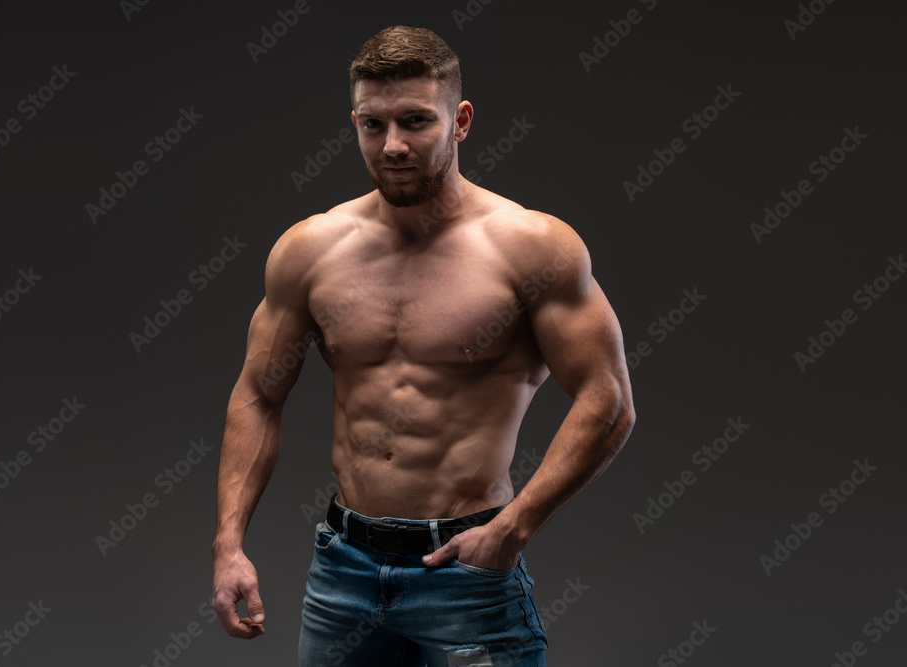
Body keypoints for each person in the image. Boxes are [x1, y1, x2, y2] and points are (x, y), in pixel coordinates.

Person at [211, 25, 636, 666]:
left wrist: (515, 527)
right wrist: (228, 543)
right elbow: (258, 394)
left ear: (460, 120)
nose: (394, 146)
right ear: (353, 122)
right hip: (342, 573)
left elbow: (608, 401)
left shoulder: (532, 247)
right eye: (372, 125)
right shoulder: (310, 250)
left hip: (467, 570)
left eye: (415, 121)